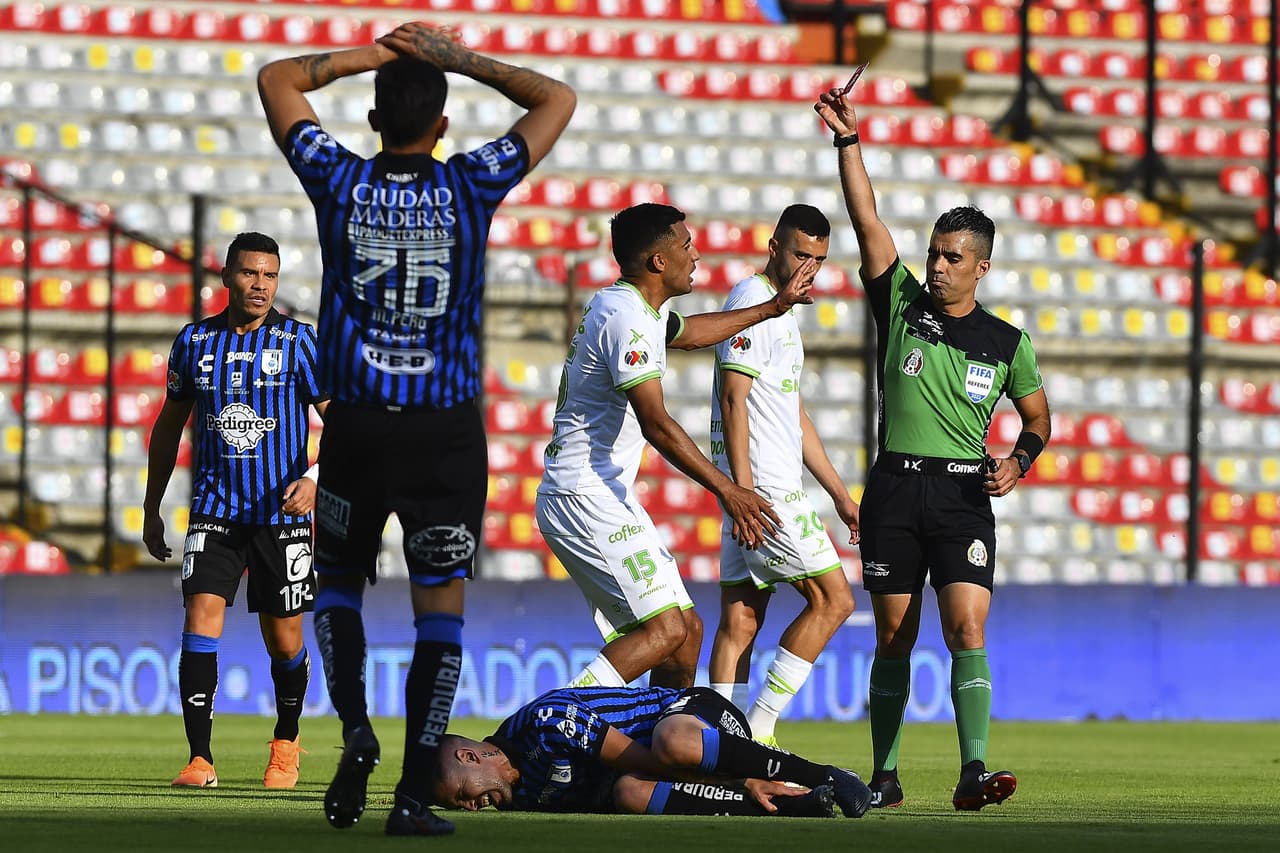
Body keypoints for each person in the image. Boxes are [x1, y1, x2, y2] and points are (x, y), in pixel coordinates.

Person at [257, 20, 576, 836]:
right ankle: (408, 793)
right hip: (444, 435)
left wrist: (378, 53)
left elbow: (277, 79)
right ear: (442, 125)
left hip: (358, 426)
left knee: (335, 586)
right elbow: (557, 98)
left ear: (371, 117)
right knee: (440, 613)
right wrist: (451, 56)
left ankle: (355, 727)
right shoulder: (470, 182)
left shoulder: (340, 180)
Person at [814, 85, 1051, 811]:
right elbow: (866, 220)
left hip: (961, 495)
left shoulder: (1008, 343)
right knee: (893, 633)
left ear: (980, 266)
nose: (937, 265)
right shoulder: (903, 302)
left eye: (951, 257)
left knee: (965, 625)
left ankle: (973, 770)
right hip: (895, 487)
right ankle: (884, 774)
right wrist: (850, 142)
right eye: (933, 254)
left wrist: (1018, 460)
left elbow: (1039, 418)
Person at [536, 203, 815, 694]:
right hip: (583, 494)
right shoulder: (626, 317)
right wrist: (728, 489)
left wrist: (773, 308)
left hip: (604, 493)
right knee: (664, 631)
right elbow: (657, 425)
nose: (697, 254)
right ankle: (549, 728)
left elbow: (690, 335)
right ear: (659, 262)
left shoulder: (637, 308)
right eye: (686, 245)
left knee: (686, 637)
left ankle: (659, 751)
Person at [142, 232, 328, 792]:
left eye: (270, 276)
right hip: (215, 511)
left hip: (282, 515)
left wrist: (316, 480)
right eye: (250, 274)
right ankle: (200, 759)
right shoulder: (195, 342)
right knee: (200, 618)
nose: (260, 285)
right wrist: (152, 506)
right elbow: (168, 426)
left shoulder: (299, 342)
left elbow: (343, 421)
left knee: (285, 640)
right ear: (226, 277)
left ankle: (287, 742)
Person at [706, 204, 861, 748]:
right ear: (773, 246)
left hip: (755, 486)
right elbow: (734, 396)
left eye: (818, 259)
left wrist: (841, 496)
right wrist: (744, 493)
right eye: (800, 254)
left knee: (741, 621)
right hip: (763, 489)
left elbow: (792, 414)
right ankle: (759, 729)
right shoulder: (753, 302)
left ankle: (715, 741)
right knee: (834, 600)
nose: (808, 268)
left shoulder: (783, 311)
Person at [429, 685, 871, 819]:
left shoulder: (546, 723)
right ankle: (793, 807)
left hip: (695, 717)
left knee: (669, 742)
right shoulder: (515, 796)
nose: (470, 807)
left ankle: (825, 774)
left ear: (470, 757)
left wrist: (738, 776)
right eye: (460, 807)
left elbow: (652, 760)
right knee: (628, 794)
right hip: (662, 768)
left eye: (462, 794)